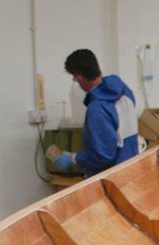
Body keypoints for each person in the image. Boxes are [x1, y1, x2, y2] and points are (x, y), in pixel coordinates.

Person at [47, 49, 138, 177]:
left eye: (74, 78)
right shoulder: (124, 91)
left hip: (112, 178)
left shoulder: (97, 108)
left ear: (79, 78)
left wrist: (73, 158)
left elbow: (103, 155)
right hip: (132, 168)